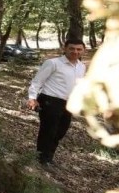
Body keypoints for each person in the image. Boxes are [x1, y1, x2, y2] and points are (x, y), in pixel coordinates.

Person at [27, 38, 86, 167]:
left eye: (78, 49)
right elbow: (37, 81)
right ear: (65, 48)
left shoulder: (81, 67)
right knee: (49, 130)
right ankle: (42, 159)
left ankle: (48, 157)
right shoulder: (53, 63)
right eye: (71, 48)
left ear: (83, 50)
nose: (75, 51)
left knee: (61, 131)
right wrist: (32, 98)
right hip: (50, 100)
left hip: (68, 103)